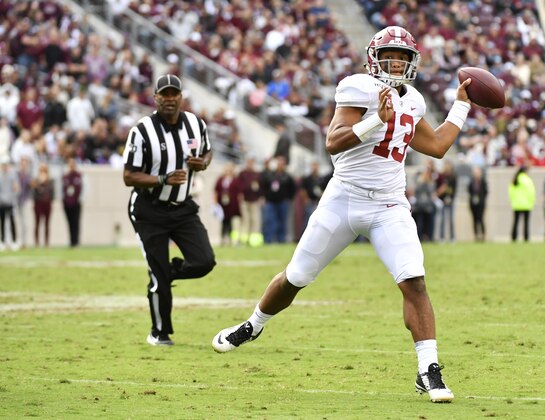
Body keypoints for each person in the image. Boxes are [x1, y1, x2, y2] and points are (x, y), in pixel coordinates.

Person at [212, 26, 473, 403]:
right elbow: (333, 141)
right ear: (374, 59)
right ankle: (253, 325)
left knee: (413, 280)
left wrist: (461, 104)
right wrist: (374, 121)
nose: (396, 63)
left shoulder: (414, 100)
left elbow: (436, 146)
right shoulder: (358, 87)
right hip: (344, 198)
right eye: (390, 56)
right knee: (296, 277)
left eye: (403, 57)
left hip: (389, 204)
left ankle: (427, 369)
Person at [122, 74, 216, 346]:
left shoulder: (196, 124)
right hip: (148, 210)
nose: (170, 99)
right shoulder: (142, 130)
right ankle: (159, 333)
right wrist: (162, 179)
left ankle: (166, 272)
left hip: (182, 207)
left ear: (181, 97)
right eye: (165, 94)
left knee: (204, 261)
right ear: (155, 98)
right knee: (158, 279)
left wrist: (203, 163)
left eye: (175, 94)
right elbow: (129, 176)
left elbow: (208, 152)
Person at [508, 165, 536, 242]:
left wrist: (513, 201)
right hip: (526, 205)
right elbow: (531, 192)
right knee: (526, 223)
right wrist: (531, 201)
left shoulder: (515, 180)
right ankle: (526, 237)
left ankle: (514, 237)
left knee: (516, 222)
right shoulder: (527, 180)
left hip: (516, 204)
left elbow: (511, 192)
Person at [62, 157, 83, 247]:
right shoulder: (65, 176)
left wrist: (80, 199)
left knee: (76, 222)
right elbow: (62, 189)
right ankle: (71, 241)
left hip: (76, 202)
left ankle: (76, 241)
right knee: (69, 222)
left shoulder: (79, 176)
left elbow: (84, 188)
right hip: (67, 203)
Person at [32, 162, 54, 247]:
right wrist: (38, 184)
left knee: (47, 223)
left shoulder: (50, 180)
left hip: (47, 203)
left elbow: (51, 192)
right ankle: (37, 242)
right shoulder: (36, 180)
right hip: (38, 203)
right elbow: (35, 192)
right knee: (37, 223)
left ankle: (46, 242)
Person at [467, 166, 488, 242]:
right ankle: (476, 235)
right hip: (473, 204)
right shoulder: (471, 181)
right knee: (474, 220)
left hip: (481, 204)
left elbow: (486, 192)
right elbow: (469, 190)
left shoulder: (483, 182)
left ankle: (483, 235)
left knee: (481, 219)